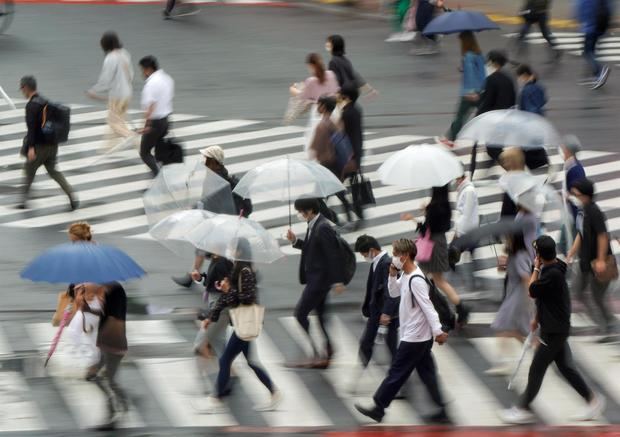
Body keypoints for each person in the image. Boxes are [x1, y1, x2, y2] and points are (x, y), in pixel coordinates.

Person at [500, 236, 605, 424]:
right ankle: (593, 401)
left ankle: (523, 408)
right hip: (555, 326)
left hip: (554, 330)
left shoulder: (551, 274)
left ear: (540, 255)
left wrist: (536, 267)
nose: (534, 256)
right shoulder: (554, 268)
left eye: (536, 252)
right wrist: (537, 319)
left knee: (536, 369)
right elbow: (545, 298)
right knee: (566, 368)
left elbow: (532, 290)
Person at [355, 239, 449, 424]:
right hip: (416, 336)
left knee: (396, 373)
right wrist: (392, 275)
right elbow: (394, 293)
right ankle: (442, 410)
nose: (393, 257)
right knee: (427, 373)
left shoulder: (416, 279)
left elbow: (428, 307)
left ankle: (378, 407)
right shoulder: (406, 275)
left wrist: (438, 331)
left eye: (396, 254)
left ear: (405, 256)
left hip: (414, 338)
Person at [200, 239, 281, 413]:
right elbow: (224, 299)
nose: (229, 249)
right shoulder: (236, 268)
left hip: (245, 323)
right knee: (251, 361)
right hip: (242, 323)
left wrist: (229, 290)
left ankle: (215, 398)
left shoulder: (245, 271)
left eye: (232, 248)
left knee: (225, 360)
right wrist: (211, 317)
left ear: (239, 251)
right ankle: (274, 393)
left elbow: (247, 297)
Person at [172, 145, 251, 287]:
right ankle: (194, 275)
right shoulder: (212, 176)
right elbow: (206, 199)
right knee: (203, 248)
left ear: (215, 162)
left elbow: (212, 202)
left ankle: (233, 277)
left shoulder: (218, 181)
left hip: (220, 223)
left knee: (219, 253)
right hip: (215, 220)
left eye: (207, 160)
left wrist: (198, 211)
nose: (204, 162)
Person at [286, 198, 345, 368]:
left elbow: (332, 254)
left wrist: (337, 281)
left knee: (300, 314)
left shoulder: (322, 227)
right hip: (317, 279)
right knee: (321, 316)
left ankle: (317, 353)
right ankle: (328, 348)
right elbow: (313, 249)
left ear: (310, 210)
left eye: (301, 211)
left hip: (319, 282)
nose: (300, 214)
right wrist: (295, 241)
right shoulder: (314, 224)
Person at [403, 185, 471, 326]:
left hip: (431, 246)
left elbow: (424, 230)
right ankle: (457, 309)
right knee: (434, 280)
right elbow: (441, 226)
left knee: (430, 280)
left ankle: (448, 311)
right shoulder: (445, 206)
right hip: (440, 243)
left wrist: (413, 218)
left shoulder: (433, 208)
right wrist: (427, 211)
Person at [18, 76, 77, 211]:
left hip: (39, 147)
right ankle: (72, 195)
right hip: (52, 145)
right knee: (54, 172)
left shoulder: (31, 106)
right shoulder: (46, 102)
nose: (22, 91)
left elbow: (32, 129)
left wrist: (31, 148)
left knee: (29, 171)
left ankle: (23, 200)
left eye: (22, 88)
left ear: (26, 88)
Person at [76, 282, 129, 430]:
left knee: (107, 379)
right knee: (96, 377)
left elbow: (114, 317)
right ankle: (119, 404)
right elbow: (106, 314)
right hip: (105, 343)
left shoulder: (115, 291)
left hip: (113, 343)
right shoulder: (107, 290)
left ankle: (114, 413)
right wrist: (89, 309)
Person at [567, 179, 616, 335]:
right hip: (586, 262)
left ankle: (606, 326)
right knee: (578, 292)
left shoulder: (594, 211)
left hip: (598, 262)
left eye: (577, 194)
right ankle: (605, 322)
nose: (574, 196)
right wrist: (572, 252)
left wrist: (601, 259)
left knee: (597, 296)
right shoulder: (583, 211)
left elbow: (602, 236)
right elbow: (581, 234)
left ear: (586, 196)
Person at [486, 233, 533, 375]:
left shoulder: (520, 256)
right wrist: (503, 266)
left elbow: (526, 278)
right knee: (514, 330)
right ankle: (538, 349)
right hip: (514, 294)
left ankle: (503, 363)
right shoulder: (515, 255)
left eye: (508, 238)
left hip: (519, 297)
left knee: (502, 326)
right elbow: (513, 273)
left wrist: (531, 300)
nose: (506, 240)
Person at [354, 235, 400, 379]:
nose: (364, 257)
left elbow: (391, 292)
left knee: (391, 347)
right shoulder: (377, 262)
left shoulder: (386, 263)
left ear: (372, 250)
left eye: (364, 253)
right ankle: (361, 371)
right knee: (367, 343)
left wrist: (386, 313)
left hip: (386, 315)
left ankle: (399, 380)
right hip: (377, 313)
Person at [309, 96, 359, 226]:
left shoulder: (321, 126)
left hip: (326, 166)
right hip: (336, 165)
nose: (317, 107)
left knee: (317, 200)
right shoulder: (335, 122)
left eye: (319, 105)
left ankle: (339, 222)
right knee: (338, 193)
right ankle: (350, 217)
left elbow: (315, 148)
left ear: (324, 107)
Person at [470, 50, 516, 178]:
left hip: (495, 119)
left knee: (493, 148)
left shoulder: (491, 79)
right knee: (494, 147)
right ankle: (492, 168)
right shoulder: (508, 78)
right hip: (507, 117)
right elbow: (513, 98)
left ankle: (514, 173)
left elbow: (487, 102)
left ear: (493, 62)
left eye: (489, 61)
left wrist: (477, 117)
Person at [86, 32, 136, 153]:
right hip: (127, 93)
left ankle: (131, 137)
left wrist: (93, 90)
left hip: (117, 96)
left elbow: (105, 80)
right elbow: (131, 74)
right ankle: (108, 147)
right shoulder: (124, 53)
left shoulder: (110, 58)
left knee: (114, 122)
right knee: (118, 119)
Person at [442, 31, 486, 145]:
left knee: (460, 116)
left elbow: (471, 74)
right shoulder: (479, 54)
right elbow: (481, 72)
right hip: (481, 90)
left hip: (469, 93)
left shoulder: (468, 56)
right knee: (485, 115)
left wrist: (471, 92)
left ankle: (451, 139)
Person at [289, 53, 339, 153]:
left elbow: (302, 96)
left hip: (319, 111)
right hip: (334, 110)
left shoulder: (311, 81)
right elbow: (336, 91)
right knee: (333, 136)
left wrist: (293, 89)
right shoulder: (331, 75)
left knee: (314, 139)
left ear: (311, 66)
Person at [138, 55, 174, 177]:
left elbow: (151, 106)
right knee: (159, 150)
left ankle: (159, 177)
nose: (142, 73)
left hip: (155, 123)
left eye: (142, 70)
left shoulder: (151, 83)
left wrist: (147, 125)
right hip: (166, 120)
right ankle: (163, 176)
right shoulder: (167, 79)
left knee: (145, 153)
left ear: (148, 69)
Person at [558, 135, 586, 254]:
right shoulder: (571, 165)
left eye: (563, 148)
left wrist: (567, 196)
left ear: (567, 150)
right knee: (565, 244)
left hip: (574, 214)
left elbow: (579, 194)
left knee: (567, 245)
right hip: (570, 213)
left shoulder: (575, 169)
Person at [453, 172, 480, 291]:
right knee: (470, 255)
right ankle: (471, 282)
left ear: (461, 178)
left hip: (467, 231)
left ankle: (466, 282)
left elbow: (466, 213)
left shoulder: (468, 191)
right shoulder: (464, 189)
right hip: (468, 229)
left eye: (456, 179)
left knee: (453, 254)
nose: (455, 182)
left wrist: (458, 231)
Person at [576, 0, 611, 90]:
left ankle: (600, 72)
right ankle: (594, 75)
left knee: (587, 52)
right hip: (600, 26)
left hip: (590, 26)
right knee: (591, 50)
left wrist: (581, 21)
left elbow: (582, 9)